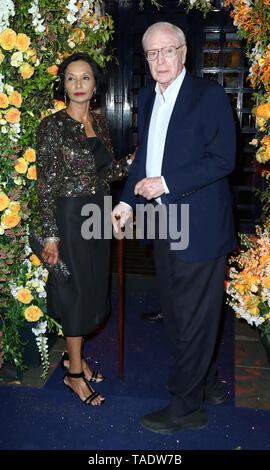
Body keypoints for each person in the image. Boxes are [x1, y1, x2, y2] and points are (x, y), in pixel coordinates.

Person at [112, 22, 237, 433]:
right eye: (152, 53)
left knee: (194, 316)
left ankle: (188, 407)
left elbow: (222, 159)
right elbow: (144, 156)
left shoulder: (209, 94)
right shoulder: (148, 97)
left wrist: (165, 183)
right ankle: (209, 384)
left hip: (199, 224)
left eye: (168, 51)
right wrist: (128, 202)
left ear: (184, 53)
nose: (161, 60)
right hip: (163, 223)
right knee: (181, 315)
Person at [36, 52, 133, 406]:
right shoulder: (51, 126)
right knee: (74, 293)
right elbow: (44, 184)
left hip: (98, 215)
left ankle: (71, 358)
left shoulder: (101, 123)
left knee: (91, 289)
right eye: (71, 79)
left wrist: (134, 163)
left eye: (85, 78)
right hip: (70, 218)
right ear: (63, 85)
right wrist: (51, 235)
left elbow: (105, 174)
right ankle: (74, 375)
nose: (78, 85)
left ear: (95, 84)